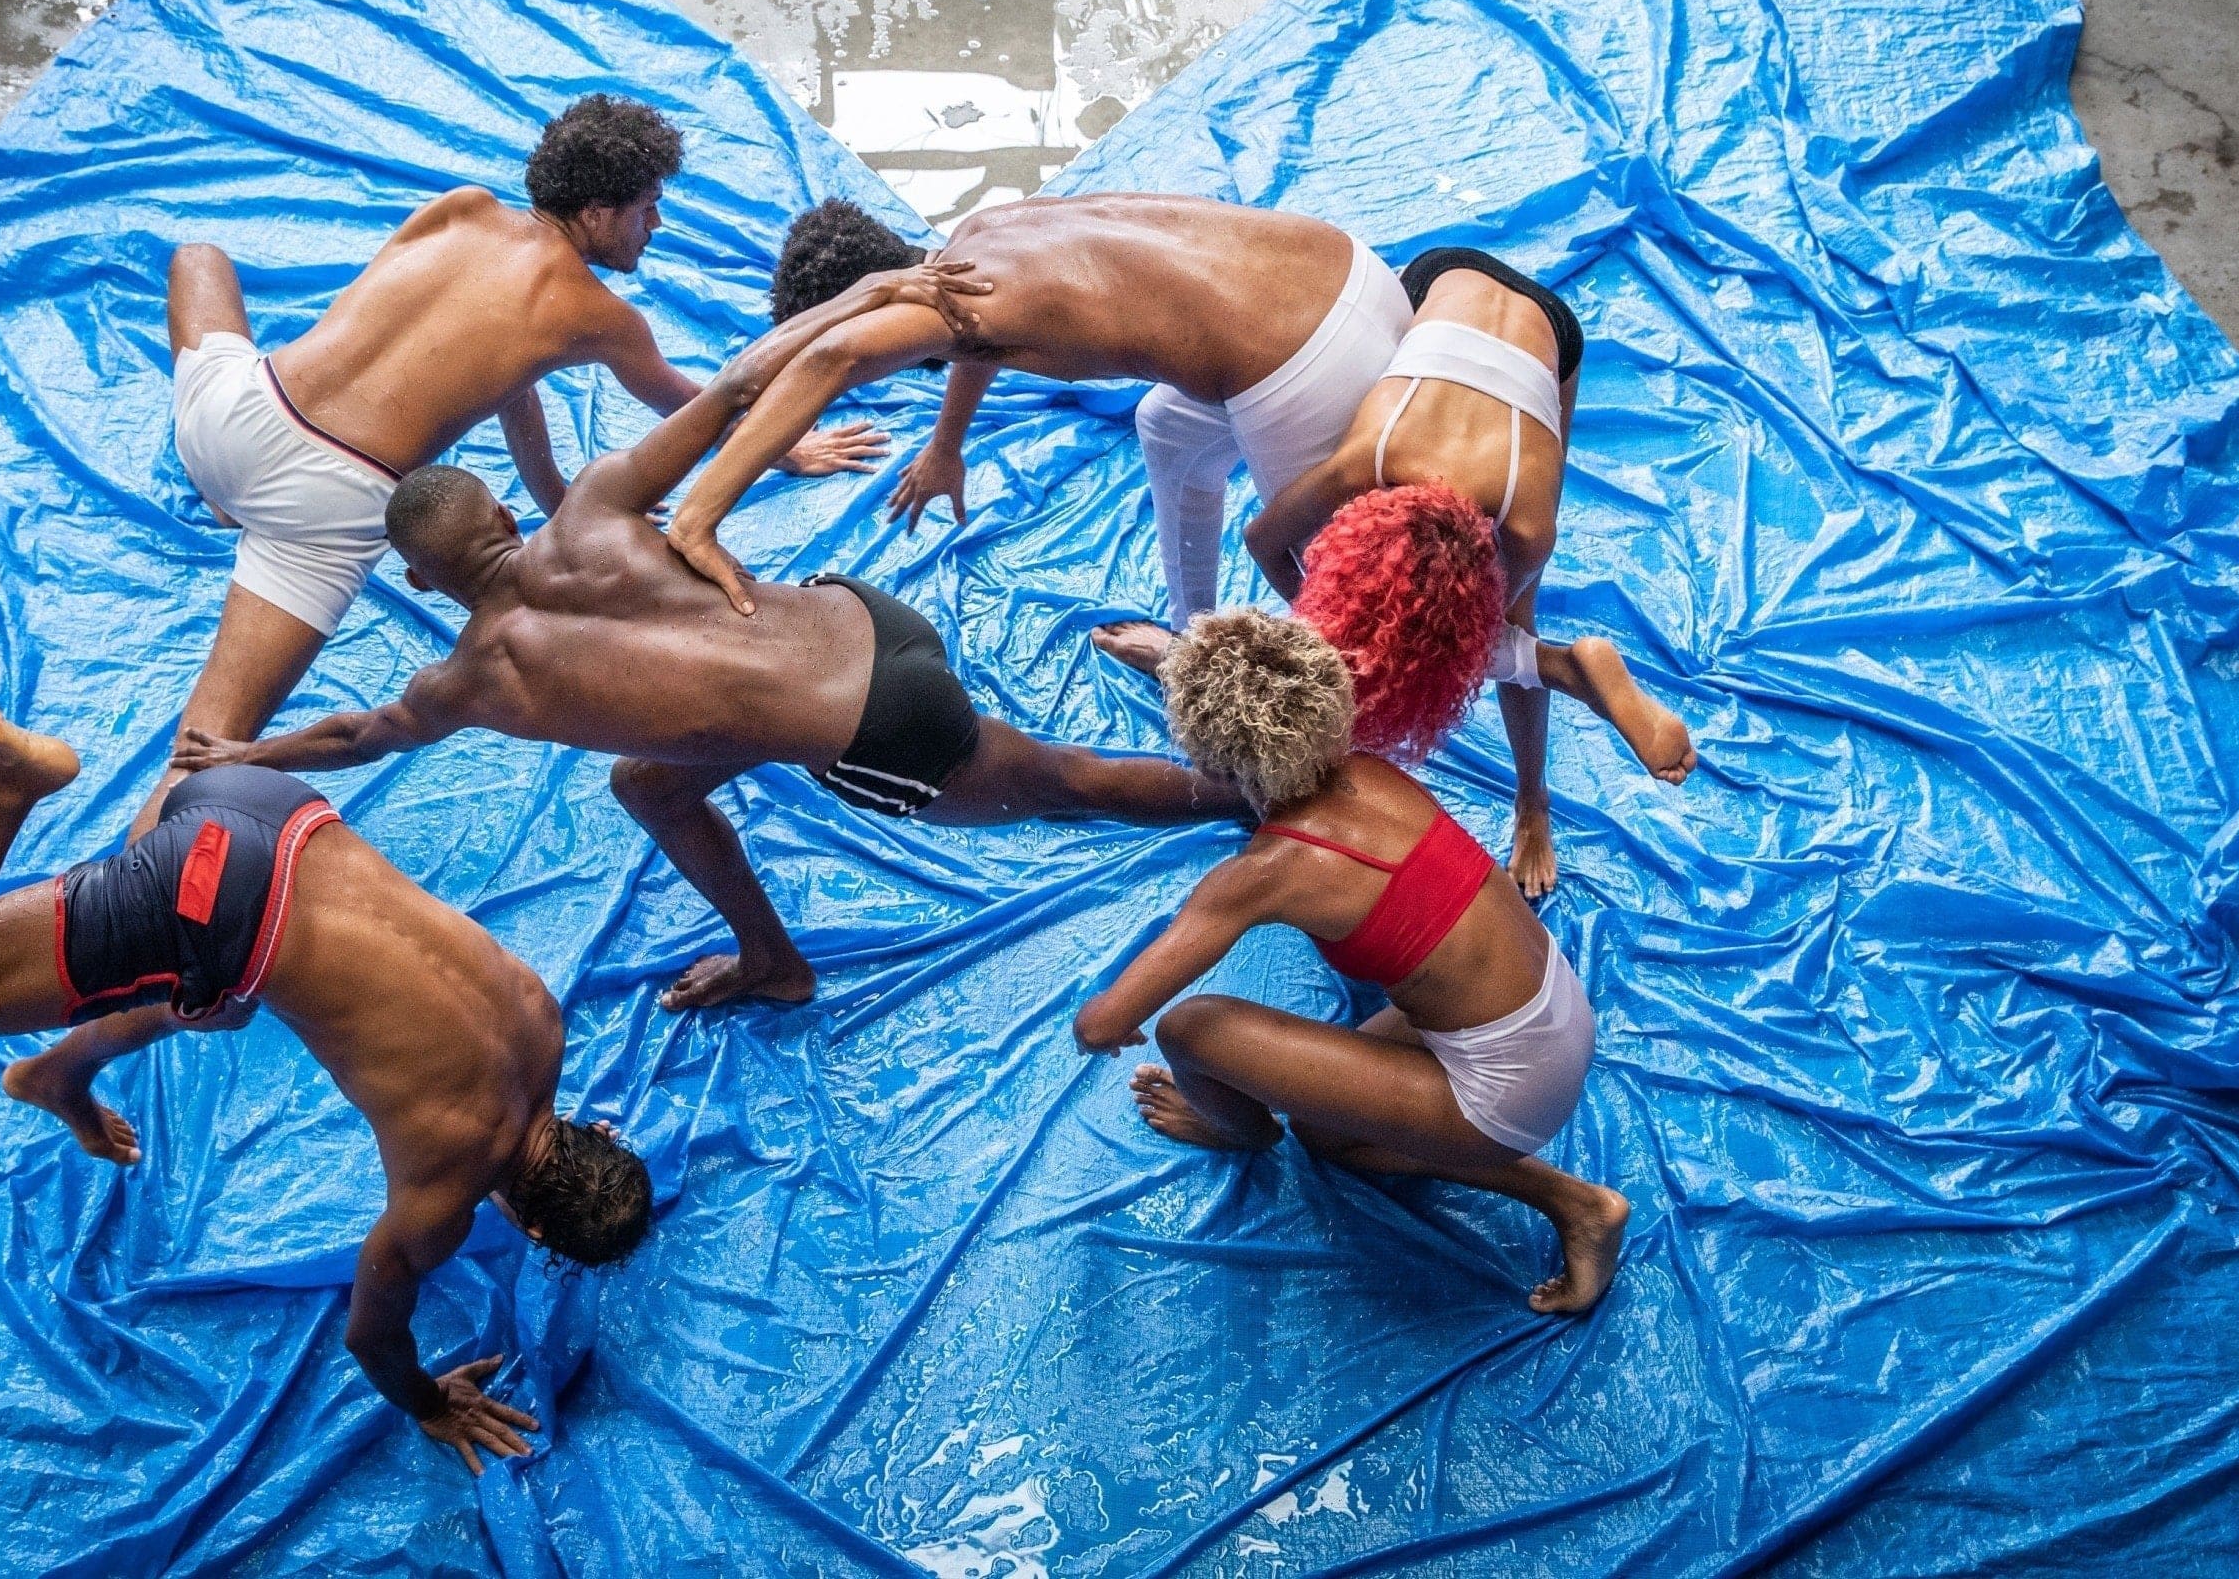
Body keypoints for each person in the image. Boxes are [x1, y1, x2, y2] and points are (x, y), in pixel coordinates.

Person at [168, 263, 1246, 1011]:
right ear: (503, 514)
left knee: (1075, 781)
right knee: (650, 781)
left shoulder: (468, 683)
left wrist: (241, 750)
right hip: (862, 615)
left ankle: (1263, 798)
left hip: (884, 725)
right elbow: (736, 386)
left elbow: (361, 733)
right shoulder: (590, 504)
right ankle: (771, 956)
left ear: (414, 577)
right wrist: (870, 292)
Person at [0, 655, 647, 1473]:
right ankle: (2, 789)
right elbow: (372, 1334)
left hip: (274, 808)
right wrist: (432, 1404)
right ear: (533, 1226)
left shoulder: (543, 1025)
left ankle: (60, 1074)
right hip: (213, 889)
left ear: (597, 1130)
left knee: (222, 989)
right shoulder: (447, 1193)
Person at [142, 95, 885, 838]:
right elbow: (703, 407)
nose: (656, 228)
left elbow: (506, 381)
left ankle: (226, 496)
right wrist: (788, 448)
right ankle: (108, 924)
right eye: (648, 208)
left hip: (228, 420)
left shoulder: (459, 209)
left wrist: (558, 499)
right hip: (326, 503)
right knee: (207, 748)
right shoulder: (600, 316)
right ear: (596, 214)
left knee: (198, 260)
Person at [1070, 610, 1628, 1314]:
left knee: (1188, 1028)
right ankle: (1566, 1196)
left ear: (1213, 760)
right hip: (1553, 1006)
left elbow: (1100, 1026)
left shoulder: (1265, 873)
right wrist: (1171, 658)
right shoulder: (1367, 767)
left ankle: (1239, 1130)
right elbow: (1268, 696)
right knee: (1331, 1137)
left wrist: (1105, 1018)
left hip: (1507, 1086)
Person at [651, 195, 1414, 658]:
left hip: (1305, 363)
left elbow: (833, 355)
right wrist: (946, 444)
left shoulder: (945, 309)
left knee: (1352, 608)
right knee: (1166, 428)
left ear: (883, 298)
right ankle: (1195, 643)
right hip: (1354, 273)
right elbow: (970, 335)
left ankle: (1333, 764)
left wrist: (698, 517)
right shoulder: (979, 240)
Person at [1238, 248, 1695, 895]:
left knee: (1506, 646)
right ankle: (1538, 779)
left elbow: (1262, 540)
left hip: (1452, 276)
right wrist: (1337, 632)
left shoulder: (1364, 461)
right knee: (1516, 639)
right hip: (1530, 320)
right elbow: (1262, 542)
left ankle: (1547, 751)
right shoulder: (1519, 519)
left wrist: (1322, 624)